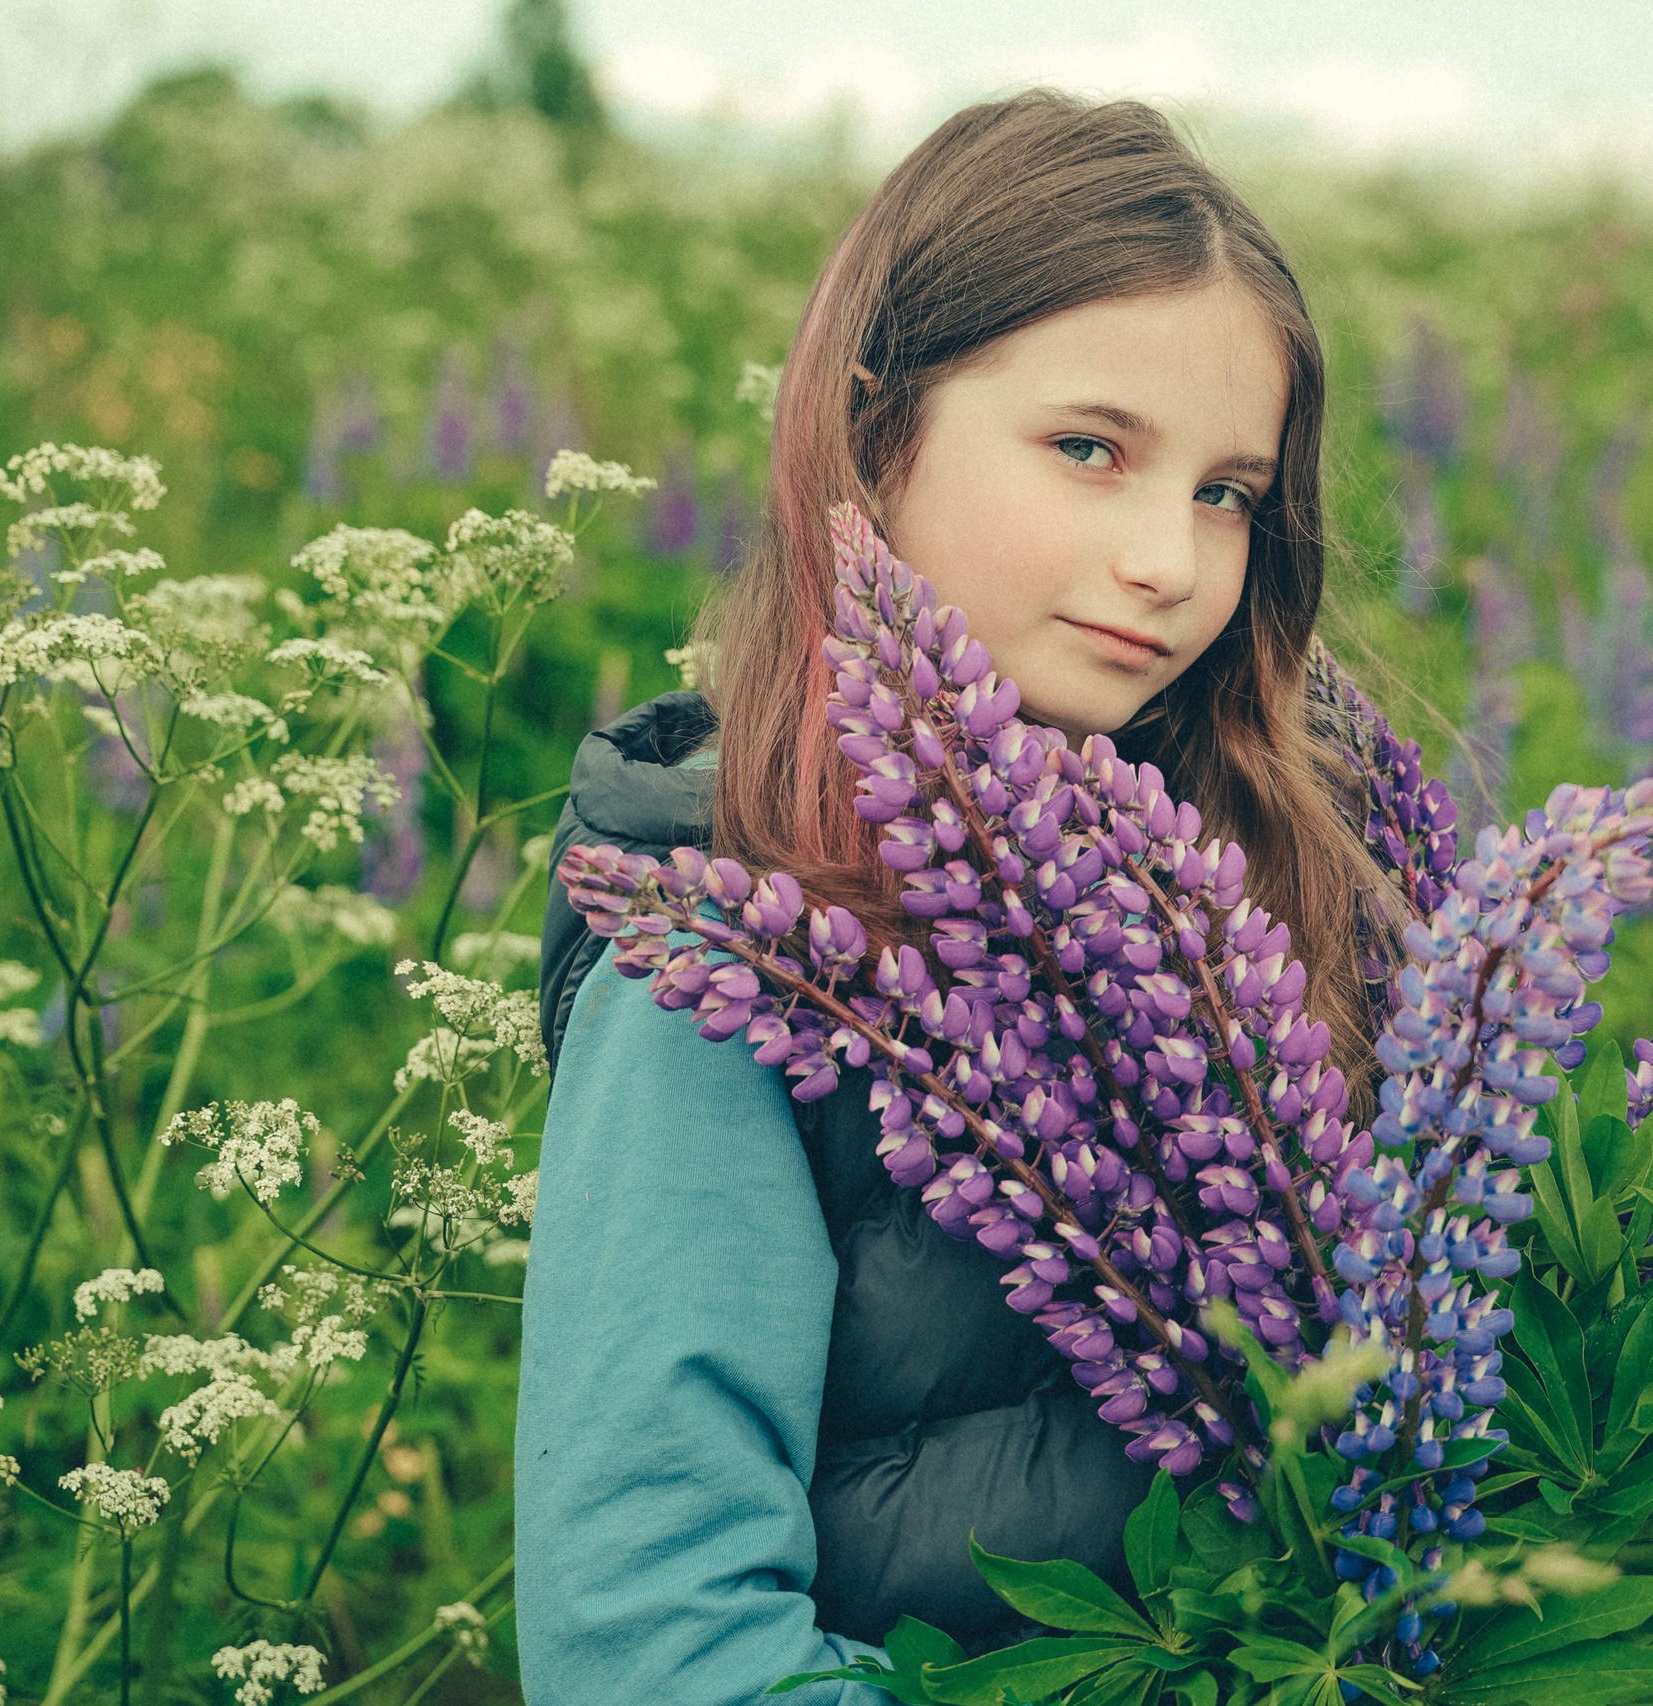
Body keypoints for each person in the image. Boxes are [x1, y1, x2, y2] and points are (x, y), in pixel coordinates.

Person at [515, 90, 1406, 1705]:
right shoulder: (726, 946)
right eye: (1090, 449)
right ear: (873, 435)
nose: (1171, 559)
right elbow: (650, 1644)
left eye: (1229, 492)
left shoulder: (1279, 875)